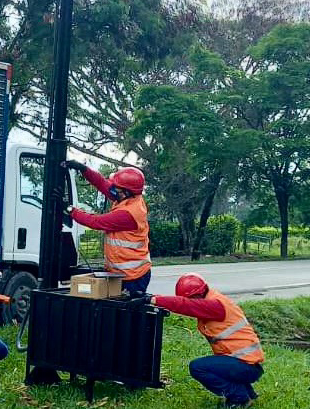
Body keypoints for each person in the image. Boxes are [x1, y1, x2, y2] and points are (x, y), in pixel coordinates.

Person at [131, 272, 264, 407]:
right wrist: (150, 297)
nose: (191, 302)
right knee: (214, 365)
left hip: (245, 365)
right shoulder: (212, 298)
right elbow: (186, 303)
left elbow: (185, 305)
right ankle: (247, 393)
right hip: (246, 364)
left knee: (198, 368)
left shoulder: (215, 305)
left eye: (191, 299)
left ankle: (239, 398)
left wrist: (153, 300)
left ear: (198, 295)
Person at [63, 160, 151, 295]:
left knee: (126, 315)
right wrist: (83, 169)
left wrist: (69, 209)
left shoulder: (128, 214)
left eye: (117, 188)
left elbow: (95, 222)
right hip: (122, 274)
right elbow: (102, 183)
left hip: (133, 277)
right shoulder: (127, 197)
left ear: (126, 192)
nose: (113, 190)